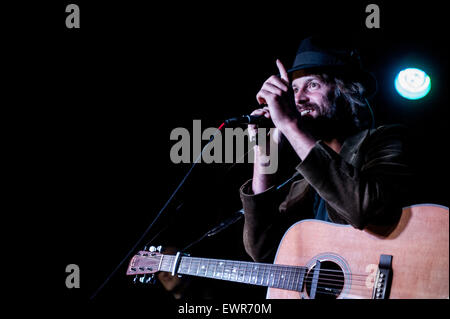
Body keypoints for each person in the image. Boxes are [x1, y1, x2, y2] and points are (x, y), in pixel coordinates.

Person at [239, 35, 412, 263]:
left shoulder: (387, 139)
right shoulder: (302, 180)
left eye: (312, 85)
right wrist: (263, 155)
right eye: (294, 89)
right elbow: (264, 251)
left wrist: (290, 124)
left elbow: (362, 210)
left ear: (345, 90)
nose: (298, 99)